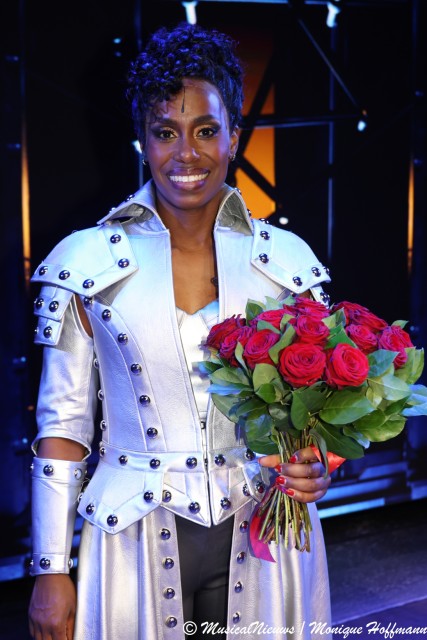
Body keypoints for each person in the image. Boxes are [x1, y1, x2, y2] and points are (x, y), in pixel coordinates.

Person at [28, 22, 333, 640]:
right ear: (142, 141)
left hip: (266, 530)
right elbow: (63, 425)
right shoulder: (85, 263)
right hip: (129, 536)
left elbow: (320, 417)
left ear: (234, 137)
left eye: (205, 130)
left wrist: (319, 465)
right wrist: (50, 569)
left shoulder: (289, 264)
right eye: (165, 132)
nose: (185, 154)